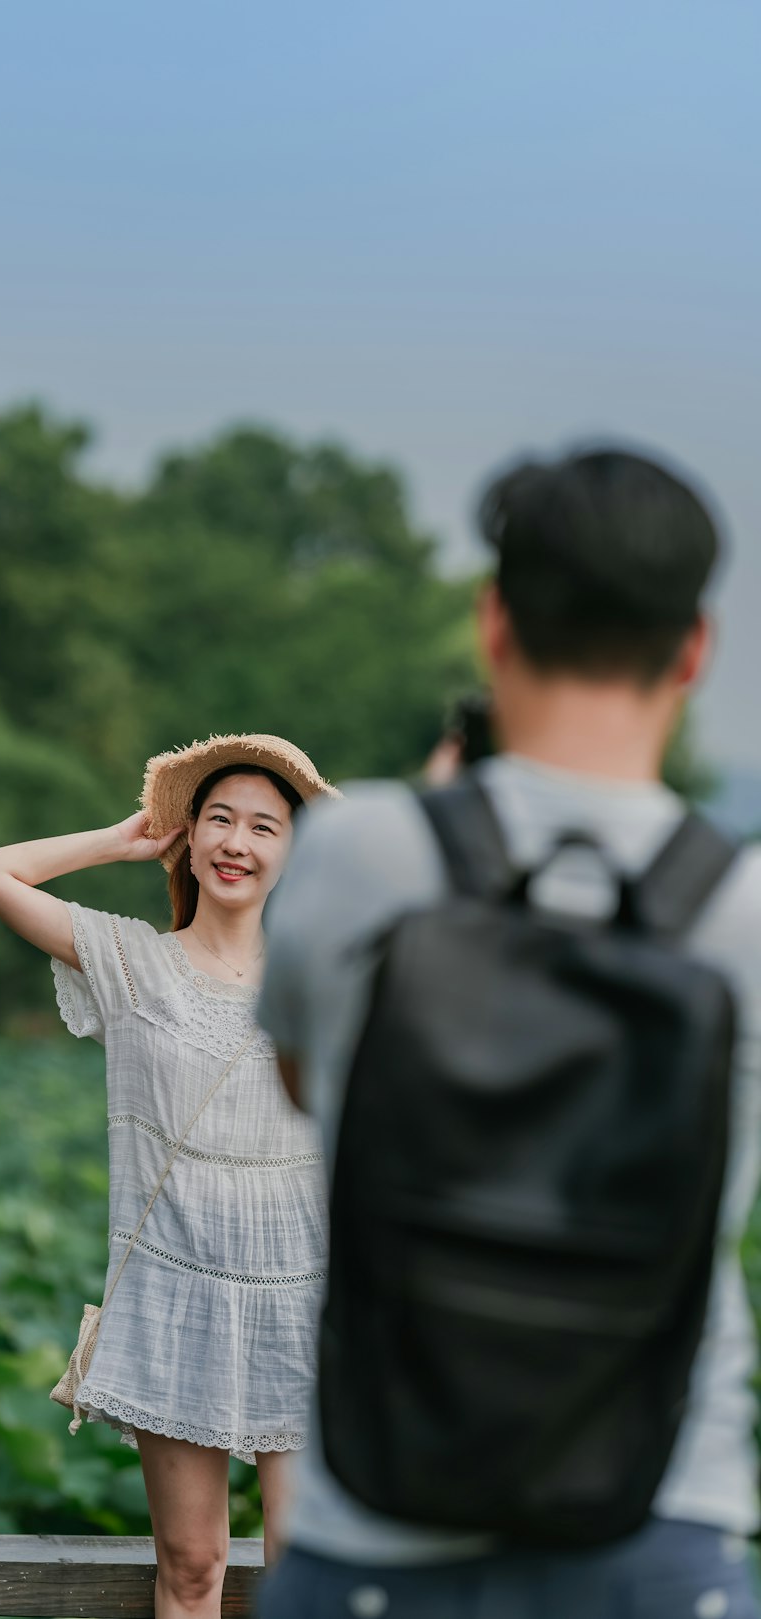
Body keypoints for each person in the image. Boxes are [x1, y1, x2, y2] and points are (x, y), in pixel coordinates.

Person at [256, 448, 761, 1618]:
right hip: (663, 1517)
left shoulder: (364, 851)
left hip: (379, 1525)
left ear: (494, 620)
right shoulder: (742, 907)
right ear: (695, 646)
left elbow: (300, 1078)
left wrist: (444, 800)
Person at [0, 733, 336, 1619]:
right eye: (219, 820)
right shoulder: (135, 964)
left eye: (265, 826)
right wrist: (118, 840)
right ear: (190, 837)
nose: (238, 842)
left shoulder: (324, 982)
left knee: (309, 1569)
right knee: (193, 1565)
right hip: (175, 1295)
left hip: (306, 1300)